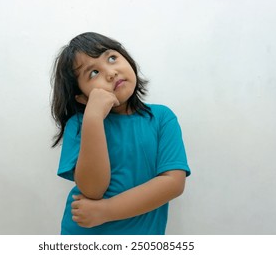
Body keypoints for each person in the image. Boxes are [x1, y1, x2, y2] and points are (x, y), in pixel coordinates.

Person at [51, 32, 191, 235]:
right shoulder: (80, 124)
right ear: (81, 97)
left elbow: (173, 183)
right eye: (93, 73)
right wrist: (93, 118)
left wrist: (106, 211)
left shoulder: (161, 118)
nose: (110, 73)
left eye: (112, 58)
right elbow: (92, 189)